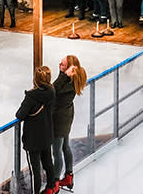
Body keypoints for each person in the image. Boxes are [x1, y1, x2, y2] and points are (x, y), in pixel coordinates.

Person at [15, 66, 57, 194]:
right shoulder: (52, 92)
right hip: (46, 134)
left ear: (36, 80)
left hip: (33, 139)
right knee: (48, 162)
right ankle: (51, 187)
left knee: (35, 170)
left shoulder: (31, 97)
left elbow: (20, 115)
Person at [51, 56, 86, 190]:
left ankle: (54, 184)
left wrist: (63, 76)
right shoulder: (69, 81)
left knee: (57, 151)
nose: (60, 64)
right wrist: (64, 74)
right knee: (65, 146)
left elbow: (53, 90)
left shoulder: (67, 84)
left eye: (63, 64)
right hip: (66, 117)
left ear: (70, 69)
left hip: (60, 120)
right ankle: (68, 176)